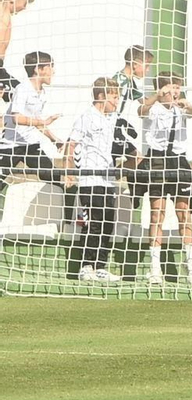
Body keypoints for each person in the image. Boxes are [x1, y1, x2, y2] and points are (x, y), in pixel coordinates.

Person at [139, 71, 192, 285]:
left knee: (184, 213)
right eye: (172, 87)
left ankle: (191, 263)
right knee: (157, 214)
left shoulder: (181, 109)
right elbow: (141, 111)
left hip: (178, 160)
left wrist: (188, 105)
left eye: (178, 87)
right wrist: (157, 96)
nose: (176, 92)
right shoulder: (154, 108)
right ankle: (155, 267)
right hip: (157, 160)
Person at [61, 78, 124, 283]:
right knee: (94, 223)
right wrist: (68, 170)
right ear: (101, 96)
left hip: (107, 180)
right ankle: (86, 266)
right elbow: (71, 144)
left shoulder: (111, 119)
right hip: (90, 180)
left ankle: (100, 267)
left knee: (107, 223)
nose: (117, 101)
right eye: (115, 97)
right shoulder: (87, 117)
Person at [0, 49, 62, 182]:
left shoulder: (42, 93)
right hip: (10, 145)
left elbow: (38, 122)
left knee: (54, 176)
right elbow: (17, 118)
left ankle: (67, 200)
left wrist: (54, 139)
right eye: (50, 67)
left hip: (30, 145)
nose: (53, 71)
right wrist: (44, 121)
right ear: (38, 69)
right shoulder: (22, 89)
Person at [113, 45, 154, 197]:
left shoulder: (131, 82)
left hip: (117, 127)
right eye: (147, 65)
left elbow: (144, 102)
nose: (148, 70)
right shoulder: (119, 80)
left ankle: (111, 175)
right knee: (136, 158)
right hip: (110, 127)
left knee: (136, 159)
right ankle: (109, 176)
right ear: (135, 64)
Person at [0, 0, 35, 105]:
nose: (25, 7)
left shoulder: (8, 16)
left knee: (24, 97)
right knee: (23, 96)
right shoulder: (2, 7)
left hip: (0, 67)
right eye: (25, 3)